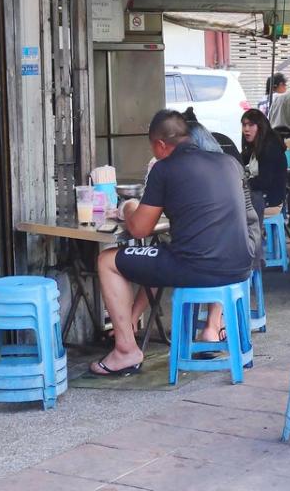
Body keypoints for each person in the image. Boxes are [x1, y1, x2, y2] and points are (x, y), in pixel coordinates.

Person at [91, 110, 257, 376]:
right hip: (240, 265)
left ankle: (125, 350)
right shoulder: (227, 163)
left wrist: (128, 207)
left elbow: (139, 228)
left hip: (196, 267)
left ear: (159, 145)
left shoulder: (165, 169)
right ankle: (133, 328)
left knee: (106, 260)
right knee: (157, 254)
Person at [241, 108, 287, 216]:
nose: (246, 129)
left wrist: (244, 183)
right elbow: (240, 159)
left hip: (270, 201)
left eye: (251, 125)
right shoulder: (256, 145)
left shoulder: (270, 147)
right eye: (244, 125)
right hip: (262, 195)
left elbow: (264, 181)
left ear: (260, 127)